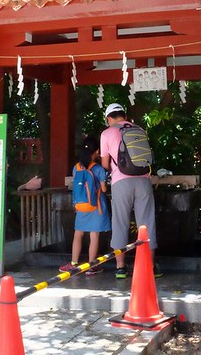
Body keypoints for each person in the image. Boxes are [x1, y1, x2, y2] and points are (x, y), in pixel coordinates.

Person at [101, 103, 160, 279]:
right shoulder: (139, 129)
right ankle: (149, 267)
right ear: (124, 115)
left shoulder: (107, 133)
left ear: (109, 118)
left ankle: (121, 267)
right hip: (143, 181)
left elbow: (105, 164)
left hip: (121, 182)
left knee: (120, 222)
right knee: (147, 223)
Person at [60, 136, 110, 276]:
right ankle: (91, 265)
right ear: (97, 151)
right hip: (96, 205)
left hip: (81, 206)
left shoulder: (76, 167)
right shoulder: (99, 168)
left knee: (78, 234)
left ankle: (74, 263)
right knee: (94, 235)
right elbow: (104, 189)